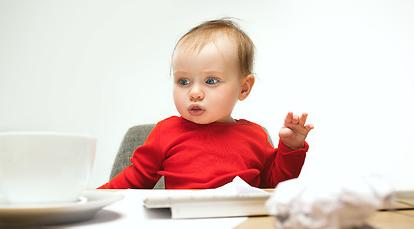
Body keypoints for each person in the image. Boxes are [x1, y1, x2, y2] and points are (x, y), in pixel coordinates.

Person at [99, 18, 314, 189]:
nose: (194, 93)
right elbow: (131, 183)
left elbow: (275, 186)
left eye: (211, 81)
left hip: (241, 225)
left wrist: (291, 147)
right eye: (183, 81)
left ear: (244, 88)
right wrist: (91, 200)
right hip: (185, 224)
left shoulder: (256, 136)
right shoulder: (166, 132)